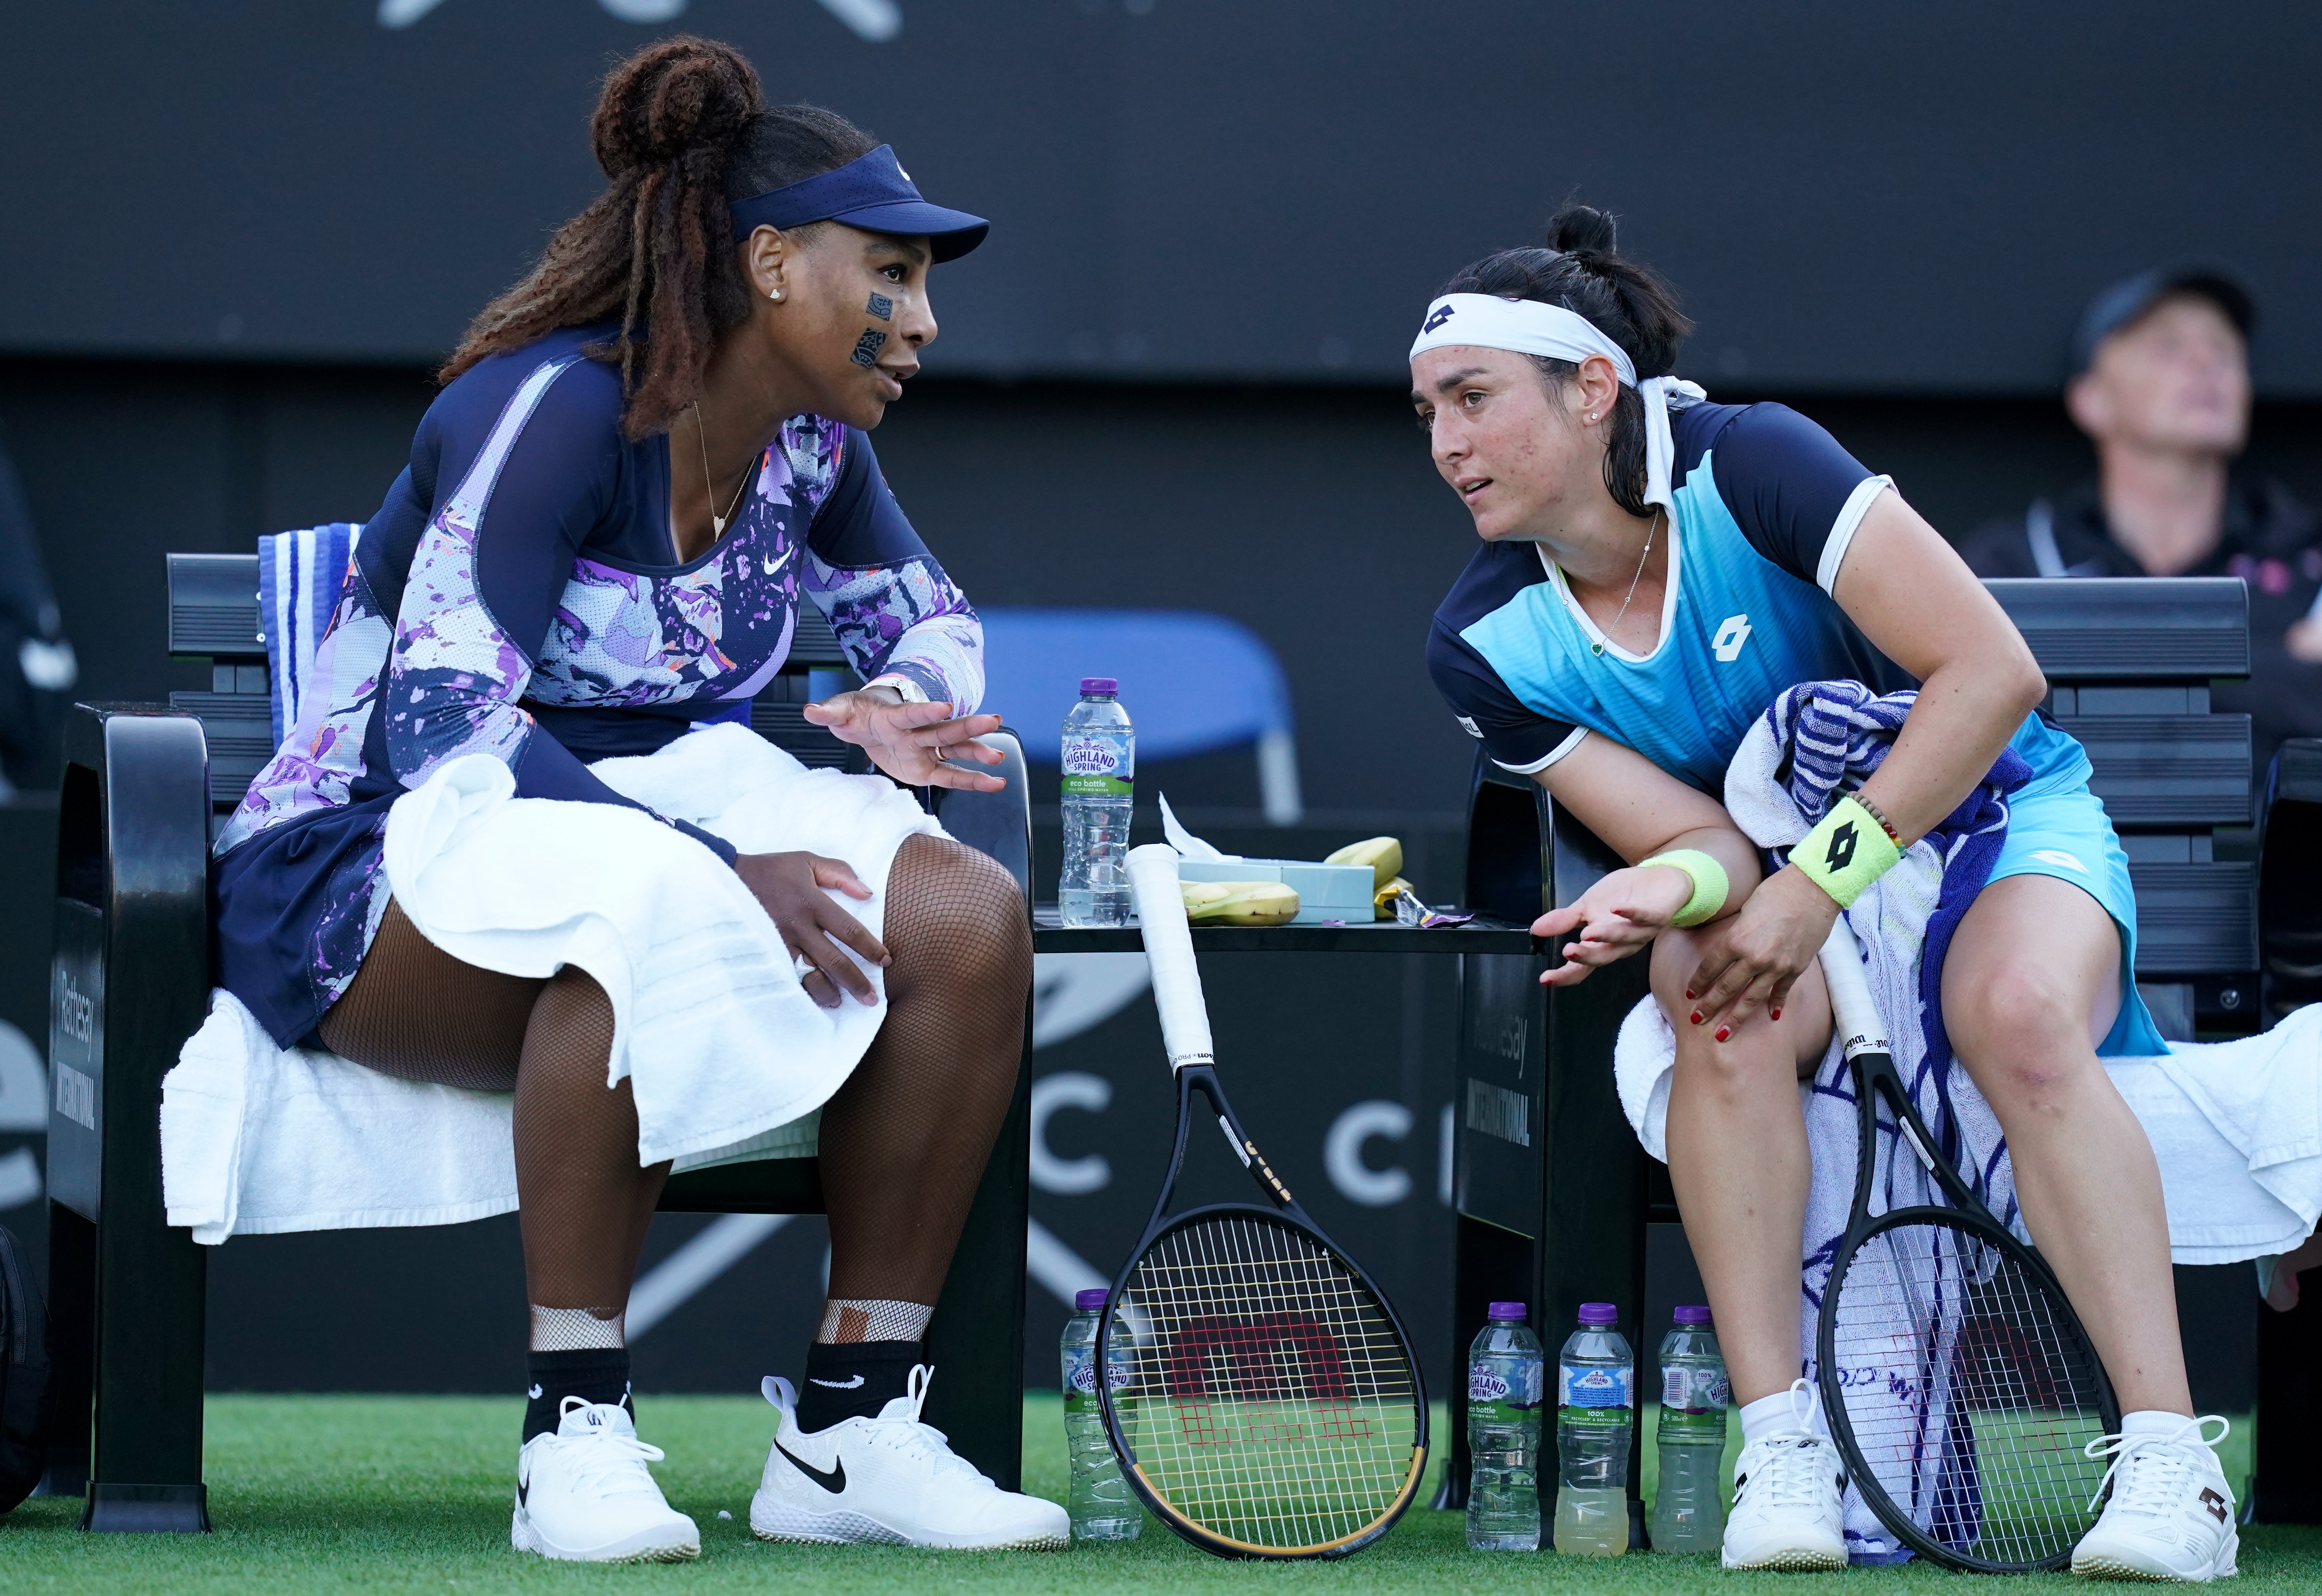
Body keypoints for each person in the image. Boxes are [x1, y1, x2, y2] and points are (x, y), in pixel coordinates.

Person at [208, 38, 1066, 1562]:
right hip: (372, 850)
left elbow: (931, 613)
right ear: (773, 263)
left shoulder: (813, 444)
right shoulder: (542, 411)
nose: (924, 321)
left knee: (967, 912)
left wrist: (895, 700)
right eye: (895, 274)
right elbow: (445, 713)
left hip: (662, 819)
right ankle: (574, 1433)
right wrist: (719, 859)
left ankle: (853, 1429)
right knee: (642, 906)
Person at [1418, 207, 2236, 1581]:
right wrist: (1658, 894)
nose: (1444, 444)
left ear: (1592, 390)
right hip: (1794, 872)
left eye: (1474, 399)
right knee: (1710, 991)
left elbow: (1992, 680)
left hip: (1995, 820)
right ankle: (1784, 1444)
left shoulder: (1761, 464)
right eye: (1429, 408)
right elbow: (1705, 851)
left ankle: (2172, 1468)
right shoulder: (1482, 641)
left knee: (2020, 1008)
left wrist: (1821, 881)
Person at [1960, 266, 2322, 774]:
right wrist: (2275, 667)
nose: (2205, 363)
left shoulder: (2310, 556)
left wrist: (2085, 671)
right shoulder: (2011, 559)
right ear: (2091, 400)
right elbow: (1961, 719)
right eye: (2167, 346)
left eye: (2224, 349)